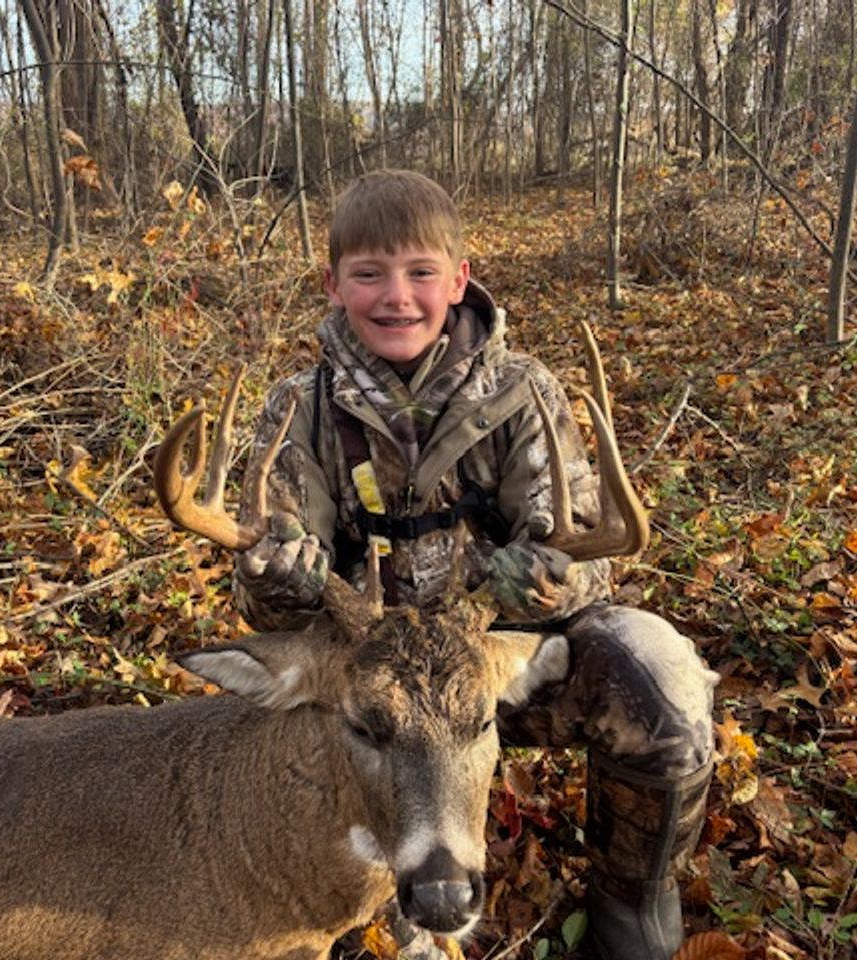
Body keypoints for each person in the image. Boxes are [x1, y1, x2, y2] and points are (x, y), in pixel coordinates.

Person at [231, 169, 718, 960]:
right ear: (333, 284)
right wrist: (276, 580)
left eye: (421, 272)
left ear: (458, 279)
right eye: (370, 274)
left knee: (659, 675)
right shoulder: (302, 410)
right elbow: (267, 592)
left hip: (501, 663)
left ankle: (633, 913)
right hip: (373, 699)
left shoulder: (523, 392)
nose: (398, 296)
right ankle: (351, 896)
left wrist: (551, 576)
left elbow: (590, 551)